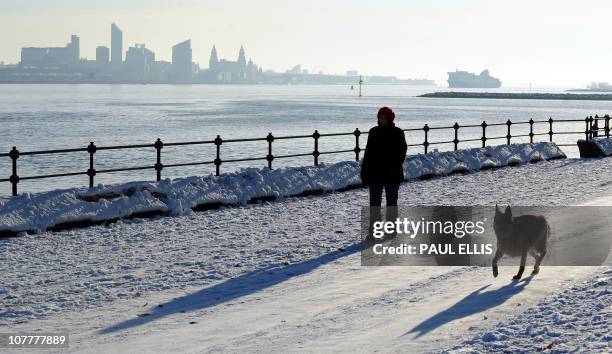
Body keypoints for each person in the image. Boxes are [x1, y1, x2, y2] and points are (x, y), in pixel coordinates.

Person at [360, 106, 407, 207]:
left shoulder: (398, 133)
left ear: (389, 119)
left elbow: (402, 152)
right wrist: (364, 172)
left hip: (392, 173)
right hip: (375, 173)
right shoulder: (373, 131)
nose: (382, 120)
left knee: (392, 203)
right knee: (374, 203)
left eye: (384, 118)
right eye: (380, 118)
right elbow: (368, 153)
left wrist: (395, 166)